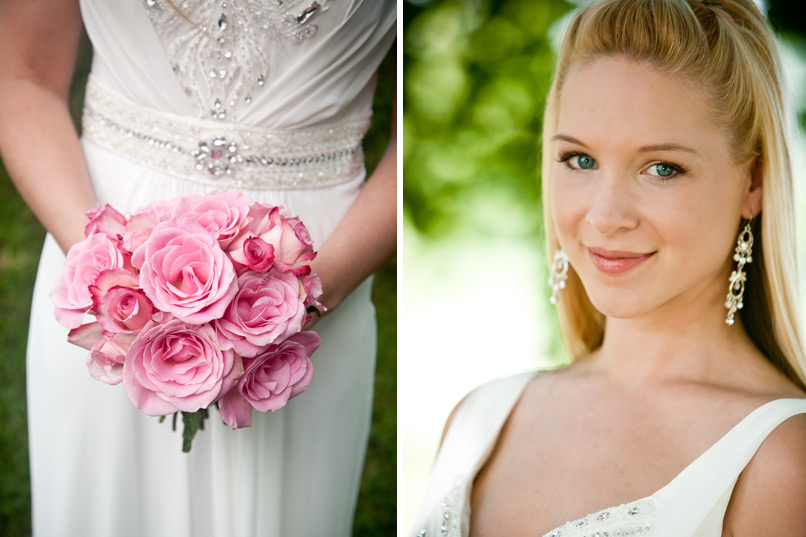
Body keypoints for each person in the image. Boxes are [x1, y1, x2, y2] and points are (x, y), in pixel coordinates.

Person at [0, 1, 395, 536]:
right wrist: (114, 283)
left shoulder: (316, 289)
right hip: (99, 247)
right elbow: (22, 75)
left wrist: (310, 292)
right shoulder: (107, 278)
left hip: (319, 264)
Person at [411, 0, 806, 535]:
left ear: (753, 183)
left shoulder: (783, 461)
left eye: (662, 168)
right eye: (580, 160)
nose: (604, 216)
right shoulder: (479, 419)